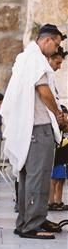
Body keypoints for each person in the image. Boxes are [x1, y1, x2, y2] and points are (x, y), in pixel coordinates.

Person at [0, 24, 66, 240]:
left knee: (28, 177)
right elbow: (43, 89)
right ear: (47, 40)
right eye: (56, 44)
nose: (55, 49)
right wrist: (58, 113)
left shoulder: (24, 57)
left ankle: (25, 221)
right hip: (38, 127)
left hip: (27, 129)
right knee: (39, 178)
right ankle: (33, 225)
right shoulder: (36, 59)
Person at [48, 48, 68, 211]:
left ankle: (56, 201)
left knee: (59, 180)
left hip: (62, 158)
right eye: (58, 63)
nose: (59, 67)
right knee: (50, 179)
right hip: (54, 151)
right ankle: (49, 202)